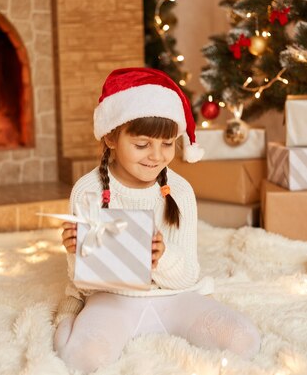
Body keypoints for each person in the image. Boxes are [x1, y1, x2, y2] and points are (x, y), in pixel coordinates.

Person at [53, 67, 261, 373]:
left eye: (167, 144)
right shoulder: (88, 191)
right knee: (81, 358)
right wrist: (76, 253)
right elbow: (84, 282)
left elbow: (188, 275)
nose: (155, 156)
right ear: (111, 137)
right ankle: (70, 319)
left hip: (174, 297)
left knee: (244, 340)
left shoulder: (180, 191)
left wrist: (160, 258)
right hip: (112, 299)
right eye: (141, 145)